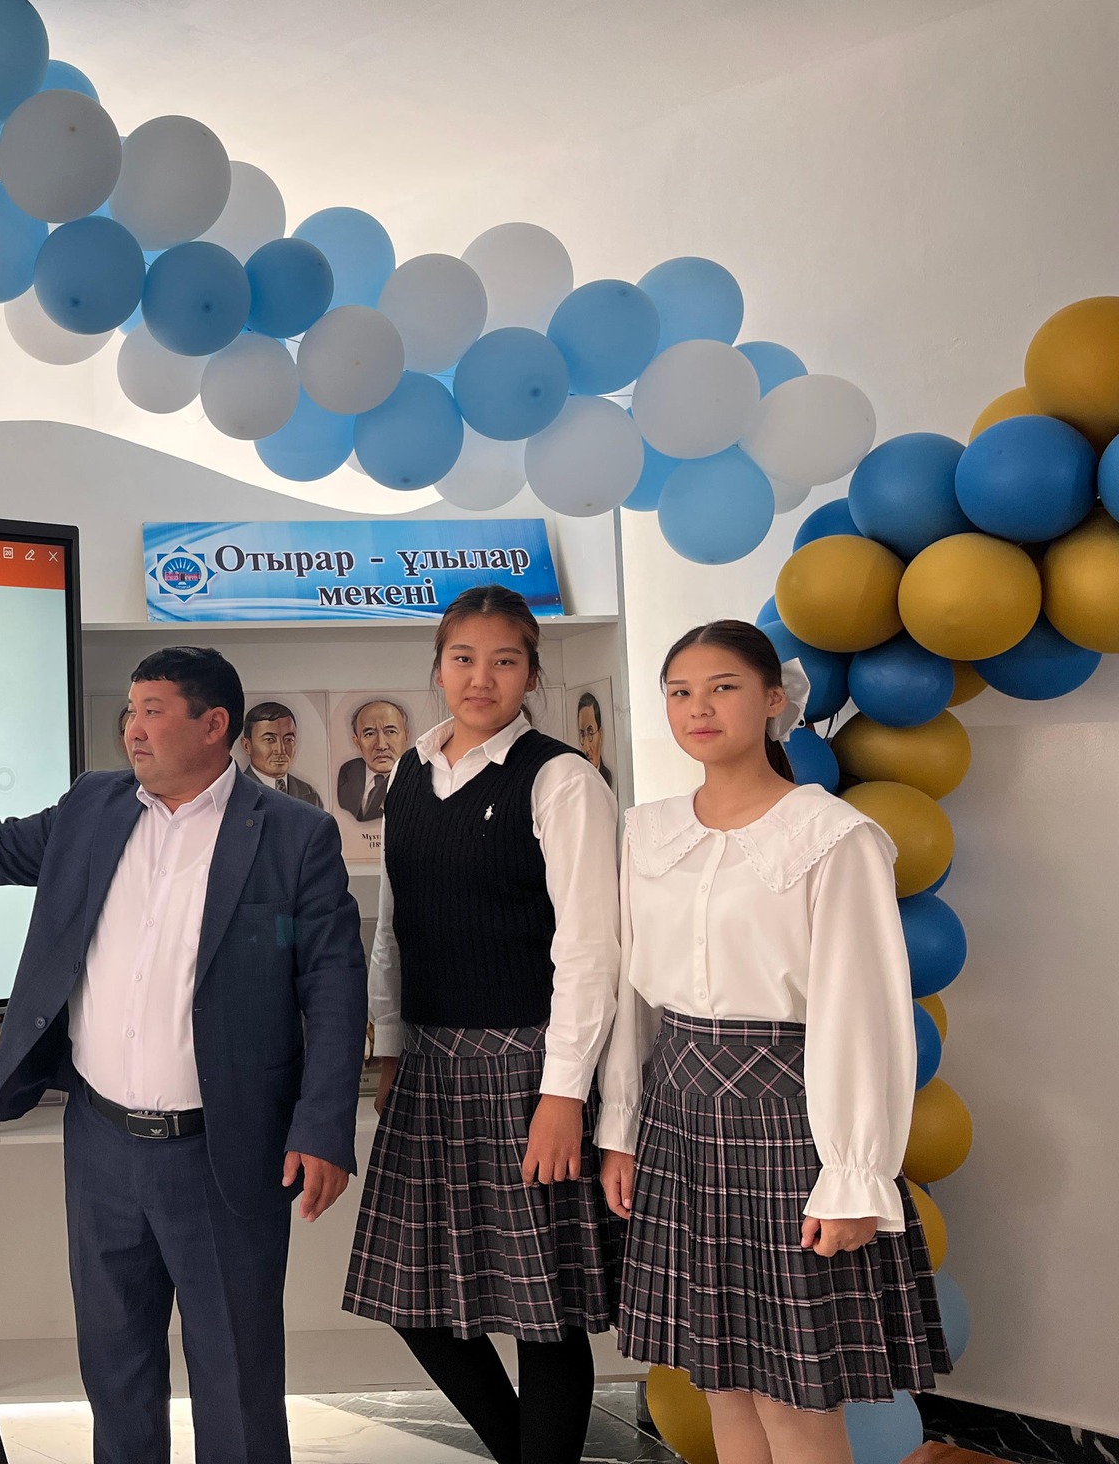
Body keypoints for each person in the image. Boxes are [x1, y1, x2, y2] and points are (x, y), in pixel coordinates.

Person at [0, 646, 366, 1464]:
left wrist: (324, 1124)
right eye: (131, 710)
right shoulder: (96, 805)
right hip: (101, 1147)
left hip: (225, 1149)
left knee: (236, 1377)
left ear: (213, 725)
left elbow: (334, 986)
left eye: (153, 711)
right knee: (115, 1371)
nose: (133, 729)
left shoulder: (294, 835)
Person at [598, 621, 951, 1459]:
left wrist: (854, 1174)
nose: (699, 708)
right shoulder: (647, 832)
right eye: (680, 692)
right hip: (679, 1118)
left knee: (795, 1397)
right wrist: (620, 1129)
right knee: (720, 1381)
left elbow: (864, 1010)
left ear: (772, 699)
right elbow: (631, 997)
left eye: (721, 687)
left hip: (789, 1121)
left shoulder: (832, 837)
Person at [344, 584, 623, 1464]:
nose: (481, 678)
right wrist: (392, 1048)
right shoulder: (409, 773)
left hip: (529, 1064)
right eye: (463, 658)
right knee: (413, 1297)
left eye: (505, 661)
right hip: (430, 1063)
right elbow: (393, 927)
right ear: (438, 667)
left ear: (532, 674)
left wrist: (564, 1093)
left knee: (544, 1312)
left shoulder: (562, 779)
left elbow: (591, 949)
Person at [239, 699, 323, 808]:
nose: (281, 750)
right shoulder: (235, 792)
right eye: (269, 740)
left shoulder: (309, 793)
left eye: (288, 740)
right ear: (247, 746)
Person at [335, 697, 408, 821]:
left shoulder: (420, 779)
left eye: (390, 732)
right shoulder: (348, 771)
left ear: (406, 736)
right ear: (357, 742)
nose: (381, 745)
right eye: (369, 734)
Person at [575, 689, 614, 792]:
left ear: (600, 734)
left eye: (590, 733)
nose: (586, 748)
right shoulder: (577, 781)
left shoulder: (608, 777)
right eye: (582, 735)